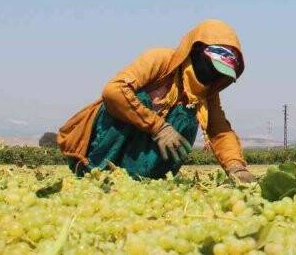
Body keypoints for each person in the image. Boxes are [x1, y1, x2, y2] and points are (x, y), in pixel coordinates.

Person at [57, 19, 256, 182]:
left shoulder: (205, 93)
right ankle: (94, 172)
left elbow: (219, 130)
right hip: (102, 147)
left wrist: (236, 167)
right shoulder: (162, 60)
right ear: (196, 52)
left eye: (221, 74)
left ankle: (142, 179)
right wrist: (159, 127)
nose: (213, 76)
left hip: (137, 162)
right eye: (213, 68)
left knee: (187, 117)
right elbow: (113, 91)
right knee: (137, 99)